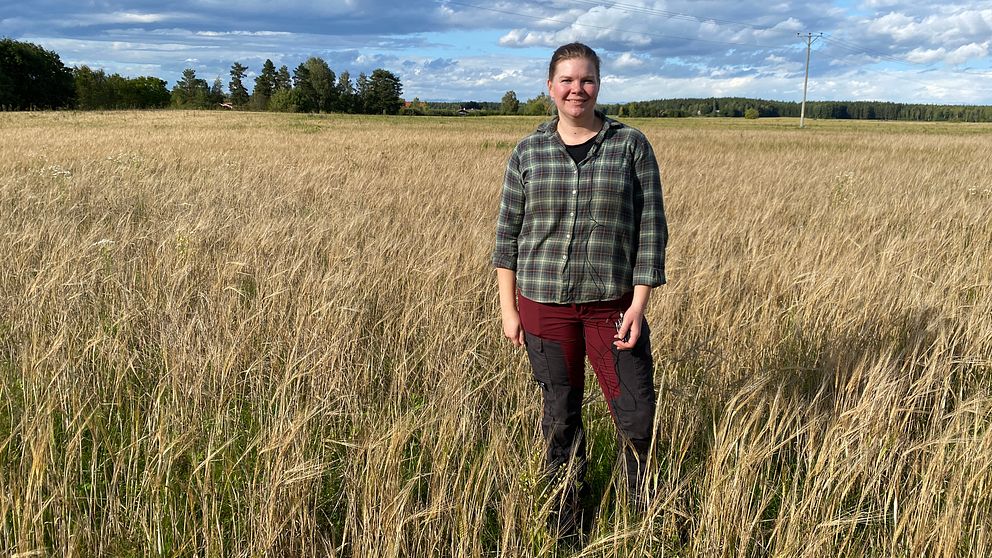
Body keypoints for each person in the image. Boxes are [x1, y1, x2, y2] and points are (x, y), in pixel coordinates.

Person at [492, 42, 668, 540]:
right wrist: (509, 310)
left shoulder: (630, 145)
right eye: (566, 80)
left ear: (599, 85)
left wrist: (638, 303)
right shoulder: (528, 151)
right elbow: (508, 234)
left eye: (586, 79)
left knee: (635, 414)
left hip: (612, 308)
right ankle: (567, 526)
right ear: (550, 87)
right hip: (542, 307)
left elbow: (650, 229)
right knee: (560, 417)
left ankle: (645, 517)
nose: (577, 89)